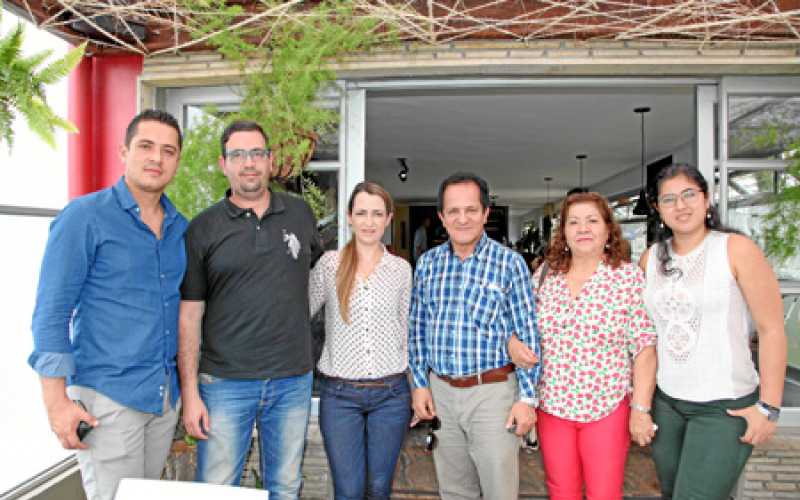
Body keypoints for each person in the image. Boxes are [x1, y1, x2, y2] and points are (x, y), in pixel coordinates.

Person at [29, 109, 187, 500]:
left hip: (162, 398)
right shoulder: (85, 217)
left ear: (177, 161)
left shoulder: (179, 227)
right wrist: (56, 402)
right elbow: (51, 312)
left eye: (168, 151)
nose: (157, 158)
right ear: (124, 151)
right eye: (146, 146)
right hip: (109, 398)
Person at [178, 120, 322, 498]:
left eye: (257, 153)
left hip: (292, 380)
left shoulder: (300, 214)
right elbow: (189, 315)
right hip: (224, 383)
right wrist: (190, 393)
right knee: (217, 490)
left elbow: (314, 277)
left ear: (270, 161)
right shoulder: (202, 229)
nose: (249, 163)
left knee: (286, 487)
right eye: (238, 154)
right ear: (223, 164)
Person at [640, 164, 787, 500]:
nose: (681, 206)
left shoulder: (735, 249)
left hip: (724, 407)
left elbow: (772, 330)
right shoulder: (651, 258)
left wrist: (769, 407)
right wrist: (641, 405)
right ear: (658, 209)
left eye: (689, 195)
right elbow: (643, 335)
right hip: (667, 404)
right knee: (672, 493)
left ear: (706, 199)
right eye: (669, 199)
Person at [508, 191, 657, 500]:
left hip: (606, 408)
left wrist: (641, 409)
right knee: (561, 491)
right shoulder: (545, 277)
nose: (583, 229)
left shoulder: (627, 278)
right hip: (553, 406)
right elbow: (518, 325)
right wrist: (511, 343)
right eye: (573, 222)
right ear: (563, 232)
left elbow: (644, 347)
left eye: (592, 221)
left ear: (608, 229)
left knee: (604, 493)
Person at [408, 172, 541, 500]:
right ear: (442, 217)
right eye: (453, 211)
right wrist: (420, 384)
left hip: (492, 394)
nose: (462, 218)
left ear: (485, 213)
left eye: (471, 210)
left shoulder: (510, 264)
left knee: (499, 491)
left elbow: (528, 336)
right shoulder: (427, 265)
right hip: (441, 393)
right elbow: (417, 330)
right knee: (454, 491)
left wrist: (527, 400)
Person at [309, 181, 412, 499]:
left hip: (391, 395)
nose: (369, 221)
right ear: (349, 217)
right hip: (339, 396)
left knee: (379, 488)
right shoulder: (330, 265)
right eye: (362, 213)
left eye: (377, 214)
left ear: (389, 218)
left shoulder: (401, 270)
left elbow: (407, 330)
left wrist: (419, 386)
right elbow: (300, 312)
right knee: (348, 491)